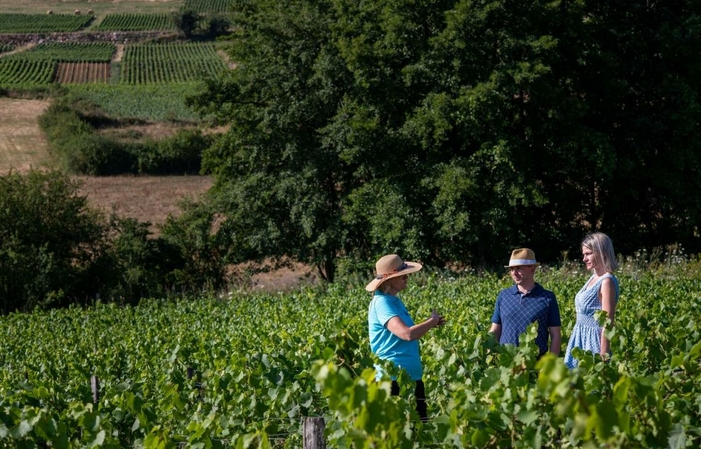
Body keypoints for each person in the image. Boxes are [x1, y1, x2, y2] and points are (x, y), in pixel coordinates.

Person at [367, 254, 446, 421]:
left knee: (418, 432)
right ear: (388, 280)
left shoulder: (394, 300)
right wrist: (431, 321)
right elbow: (407, 334)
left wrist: (431, 323)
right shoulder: (382, 302)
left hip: (410, 377)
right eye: (402, 275)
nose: (407, 277)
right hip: (392, 380)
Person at [489, 248, 562, 357]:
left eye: (518, 268)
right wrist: (488, 354)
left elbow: (555, 334)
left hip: (535, 365)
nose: (514, 273)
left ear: (532, 268)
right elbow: (495, 330)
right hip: (506, 362)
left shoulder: (547, 298)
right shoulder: (503, 296)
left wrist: (550, 365)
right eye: (511, 269)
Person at [564, 232, 620, 368]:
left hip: (593, 342)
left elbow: (608, 321)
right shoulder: (593, 277)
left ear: (603, 253)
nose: (584, 259)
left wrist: (603, 356)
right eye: (584, 254)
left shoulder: (606, 281)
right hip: (579, 338)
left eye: (588, 253)